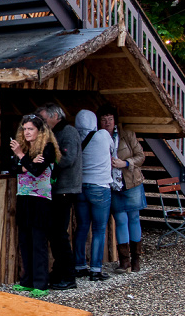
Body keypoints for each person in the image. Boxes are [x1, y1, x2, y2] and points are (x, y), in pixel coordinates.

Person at [9, 114, 61, 298]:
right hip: (24, 197)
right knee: (25, 240)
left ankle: (41, 282)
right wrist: (26, 163)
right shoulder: (24, 148)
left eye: (31, 129)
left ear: (39, 131)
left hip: (40, 199)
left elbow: (37, 171)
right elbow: (12, 168)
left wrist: (22, 158)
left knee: (38, 242)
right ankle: (27, 281)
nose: (27, 132)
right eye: (24, 129)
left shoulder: (47, 148)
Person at [36, 103, 81, 290]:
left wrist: (46, 158)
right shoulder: (56, 133)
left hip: (65, 188)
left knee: (59, 234)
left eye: (45, 120)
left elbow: (67, 159)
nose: (43, 123)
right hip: (57, 188)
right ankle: (59, 271)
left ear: (56, 116)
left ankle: (69, 276)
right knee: (54, 234)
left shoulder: (68, 132)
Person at [97, 104, 146, 273]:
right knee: (120, 221)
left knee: (133, 218)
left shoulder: (126, 135)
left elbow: (140, 157)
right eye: (103, 119)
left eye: (110, 119)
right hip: (112, 184)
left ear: (115, 120)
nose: (107, 122)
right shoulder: (99, 137)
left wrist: (125, 163)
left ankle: (136, 260)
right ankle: (124, 261)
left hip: (131, 182)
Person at [74, 109, 114, 281]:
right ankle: (96, 269)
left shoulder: (76, 138)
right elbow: (112, 149)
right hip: (100, 186)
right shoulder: (103, 135)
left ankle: (79, 265)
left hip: (81, 187)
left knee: (82, 227)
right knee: (98, 229)